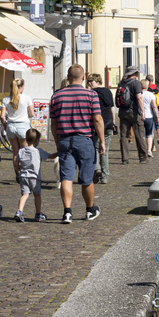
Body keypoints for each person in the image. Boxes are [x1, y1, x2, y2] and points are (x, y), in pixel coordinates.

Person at [49, 64, 104, 223]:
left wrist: (58, 141)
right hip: (84, 140)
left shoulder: (56, 96)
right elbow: (98, 119)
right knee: (87, 178)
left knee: (66, 177)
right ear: (83, 77)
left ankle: (67, 212)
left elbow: (53, 124)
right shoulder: (91, 95)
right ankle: (89, 210)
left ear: (68, 77)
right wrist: (101, 141)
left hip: (65, 140)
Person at [13, 128, 49, 222]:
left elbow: (16, 163)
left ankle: (19, 211)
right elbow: (49, 156)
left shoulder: (21, 151)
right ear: (37, 140)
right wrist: (58, 153)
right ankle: (38, 213)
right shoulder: (38, 151)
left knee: (24, 195)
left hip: (23, 176)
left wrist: (19, 169)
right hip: (35, 178)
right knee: (37, 195)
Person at [0, 78, 34, 174]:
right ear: (20, 87)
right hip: (23, 126)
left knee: (16, 152)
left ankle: (17, 171)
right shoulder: (26, 98)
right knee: (24, 152)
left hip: (11, 126)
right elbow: (31, 114)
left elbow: (2, 116)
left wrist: (5, 126)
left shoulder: (6, 99)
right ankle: (24, 172)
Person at [116, 67, 148, 164]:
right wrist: (143, 111)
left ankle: (125, 159)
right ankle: (143, 157)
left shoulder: (121, 83)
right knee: (139, 135)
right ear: (135, 74)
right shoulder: (136, 83)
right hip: (134, 113)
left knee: (124, 136)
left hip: (122, 112)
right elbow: (139, 97)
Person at [87, 73, 115, 184]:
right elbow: (112, 109)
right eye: (88, 81)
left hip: (97, 123)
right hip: (107, 122)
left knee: (95, 147)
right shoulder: (108, 92)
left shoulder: (91, 93)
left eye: (91, 81)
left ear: (97, 81)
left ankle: (97, 169)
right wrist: (113, 123)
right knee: (104, 150)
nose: (89, 83)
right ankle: (105, 175)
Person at [141, 84, 159, 157]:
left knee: (141, 135)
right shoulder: (150, 94)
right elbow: (154, 106)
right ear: (147, 86)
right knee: (149, 134)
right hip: (149, 116)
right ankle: (149, 150)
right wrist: (157, 116)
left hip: (140, 116)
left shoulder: (138, 94)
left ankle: (143, 149)